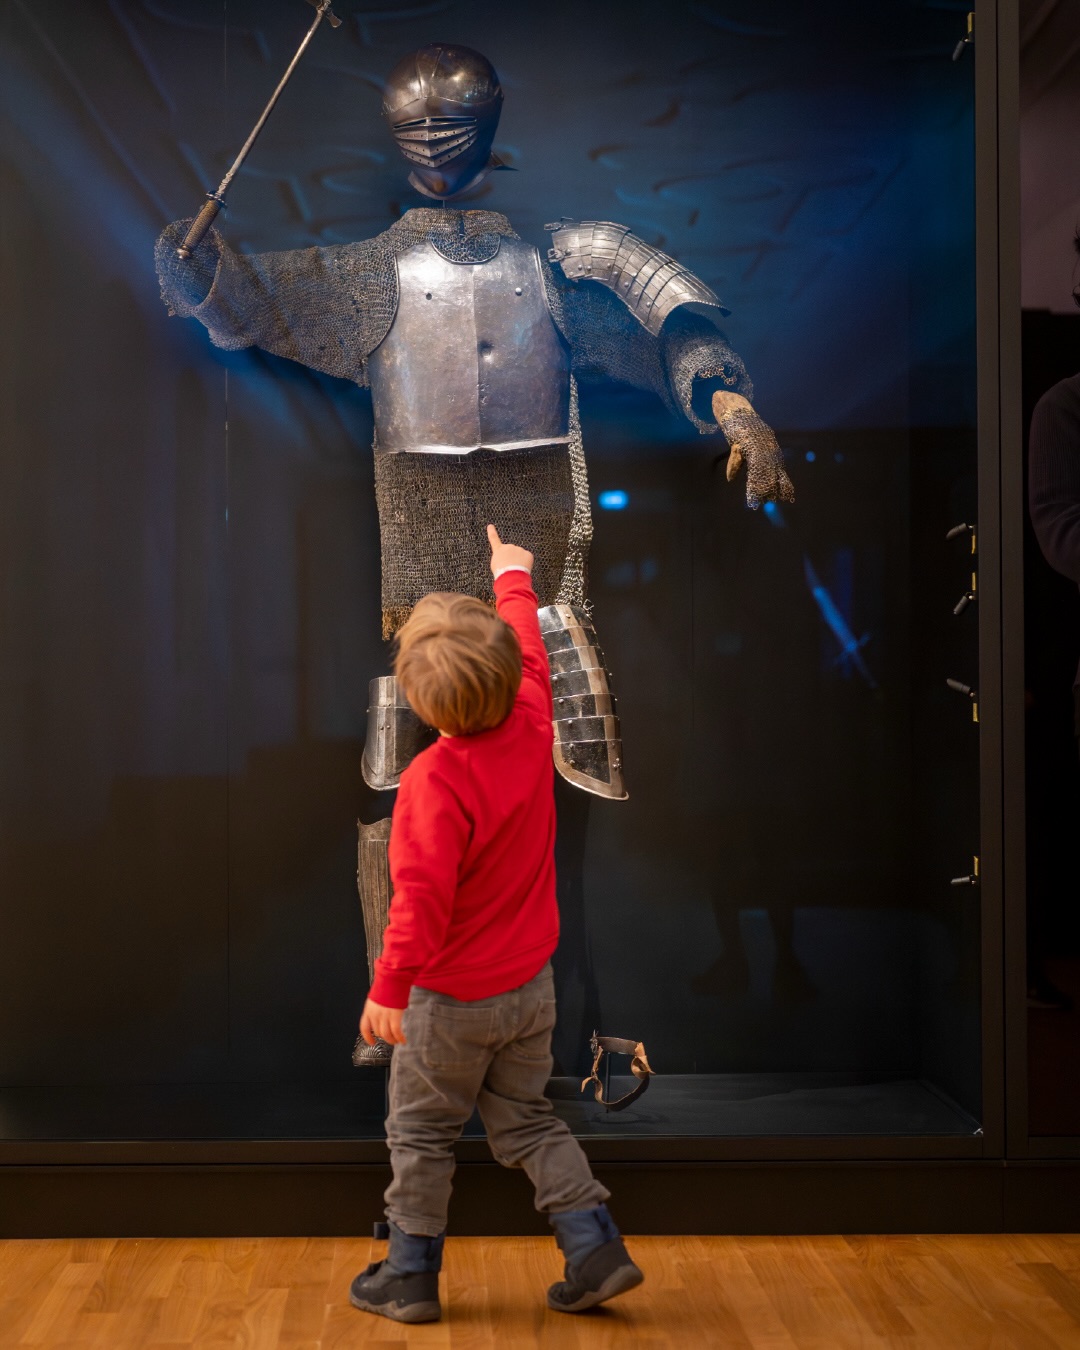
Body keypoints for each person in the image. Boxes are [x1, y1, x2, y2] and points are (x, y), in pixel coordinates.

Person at [348, 524, 643, 1324]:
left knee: (420, 1136)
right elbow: (532, 653)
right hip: (528, 989)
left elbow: (418, 902)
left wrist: (389, 989)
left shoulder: (432, 782)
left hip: (446, 1003)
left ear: (415, 698)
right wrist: (512, 577)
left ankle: (408, 1275)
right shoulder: (532, 721)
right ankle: (595, 1246)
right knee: (530, 1121)